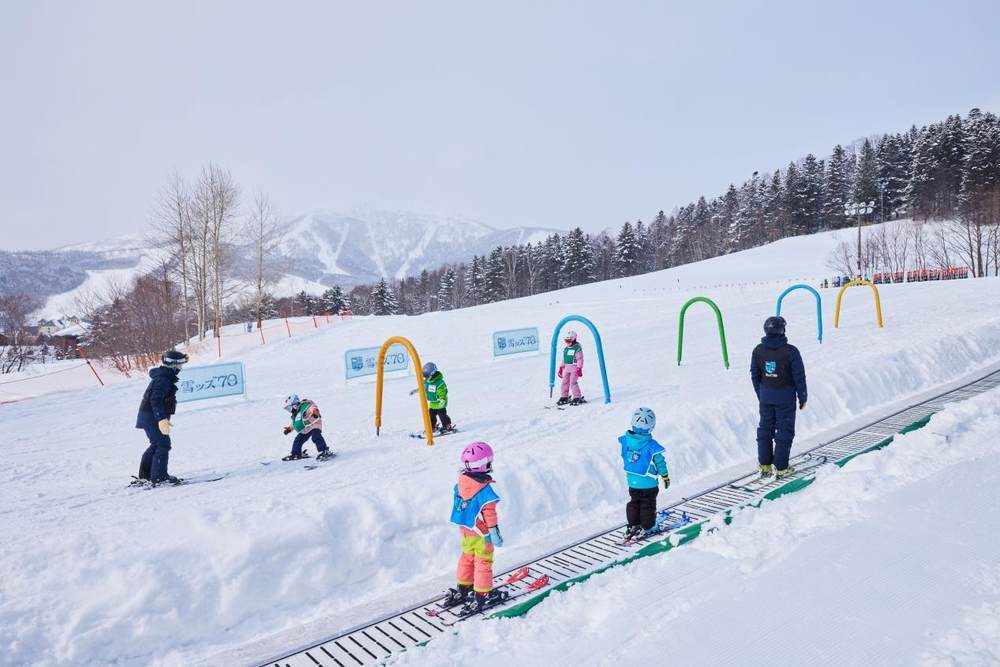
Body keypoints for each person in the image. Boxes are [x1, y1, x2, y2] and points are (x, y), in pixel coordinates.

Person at [444, 441, 505, 613]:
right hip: (482, 534)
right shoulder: (485, 491)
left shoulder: (461, 484)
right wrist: (494, 534)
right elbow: (489, 515)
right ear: (484, 464)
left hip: (466, 531)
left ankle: (463, 587)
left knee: (467, 558)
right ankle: (482, 593)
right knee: (483, 562)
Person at [750, 316, 807, 479]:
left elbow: (755, 375)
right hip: (785, 397)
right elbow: (799, 376)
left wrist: (761, 394)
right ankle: (781, 467)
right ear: (782, 330)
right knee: (784, 430)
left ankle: (765, 464)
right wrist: (802, 396)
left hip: (766, 396)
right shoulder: (791, 351)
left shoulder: (758, 350)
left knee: (765, 429)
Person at [135, 350, 188, 485]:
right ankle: (159, 477)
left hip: (148, 415)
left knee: (156, 444)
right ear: (173, 364)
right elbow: (155, 400)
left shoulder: (164, 376)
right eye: (180, 364)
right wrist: (161, 419)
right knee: (163, 445)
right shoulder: (163, 379)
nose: (181, 368)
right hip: (151, 416)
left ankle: (146, 476)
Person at [619, 407, 670, 540]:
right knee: (648, 504)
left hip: (632, 481)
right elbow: (660, 462)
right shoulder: (651, 445)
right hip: (649, 482)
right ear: (651, 427)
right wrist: (665, 476)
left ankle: (633, 525)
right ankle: (647, 527)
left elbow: (625, 455)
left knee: (634, 502)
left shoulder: (625, 440)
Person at [282, 394, 334, 461]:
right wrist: (289, 429)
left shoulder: (305, 406)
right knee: (298, 440)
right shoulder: (296, 414)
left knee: (316, 436)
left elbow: (312, 408)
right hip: (305, 429)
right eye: (288, 409)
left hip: (314, 425)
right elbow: (295, 424)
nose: (290, 410)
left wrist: (315, 412)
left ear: (295, 405)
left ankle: (324, 451)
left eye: (290, 408)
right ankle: (296, 453)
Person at [418, 362, 456, 435]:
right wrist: (417, 390)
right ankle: (432, 426)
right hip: (433, 403)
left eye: (427, 376)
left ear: (433, 374)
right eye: (425, 377)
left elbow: (442, 391)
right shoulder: (427, 381)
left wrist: (442, 399)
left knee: (442, 415)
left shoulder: (439, 383)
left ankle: (447, 426)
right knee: (430, 415)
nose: (426, 378)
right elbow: (423, 387)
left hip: (440, 403)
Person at [556, 330, 584, 405]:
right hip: (566, 368)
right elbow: (564, 359)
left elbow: (580, 359)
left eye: (569, 341)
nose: (567, 342)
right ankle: (564, 396)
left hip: (574, 368)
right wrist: (561, 368)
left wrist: (579, 368)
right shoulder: (566, 348)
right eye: (566, 341)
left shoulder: (577, 348)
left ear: (574, 339)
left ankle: (577, 397)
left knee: (573, 382)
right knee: (564, 382)